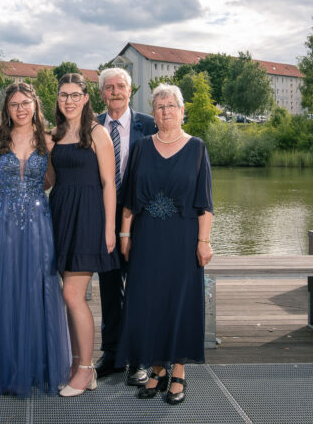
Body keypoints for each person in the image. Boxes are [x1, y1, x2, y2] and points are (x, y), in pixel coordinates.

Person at [0, 82, 72, 396]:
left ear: (35, 105)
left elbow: (53, 179)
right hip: (4, 222)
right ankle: (7, 367)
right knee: (6, 288)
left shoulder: (49, 140)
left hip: (40, 222)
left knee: (39, 288)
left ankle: (39, 367)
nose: (20, 109)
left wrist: (32, 193)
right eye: (14, 104)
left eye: (25, 103)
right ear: (6, 109)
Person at [116, 83, 213, 405]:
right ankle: (157, 368)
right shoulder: (142, 147)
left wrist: (203, 242)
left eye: (171, 106)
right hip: (146, 238)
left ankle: (179, 371)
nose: (166, 111)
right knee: (149, 302)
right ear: (153, 114)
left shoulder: (197, 148)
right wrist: (125, 235)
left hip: (183, 239)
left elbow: (205, 203)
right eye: (160, 107)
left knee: (179, 301)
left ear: (182, 111)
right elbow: (129, 198)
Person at [48, 72, 119, 397]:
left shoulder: (97, 133)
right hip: (59, 215)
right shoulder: (55, 134)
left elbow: (108, 184)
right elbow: (49, 179)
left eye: (75, 95)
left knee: (72, 296)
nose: (69, 100)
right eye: (64, 95)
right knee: (68, 296)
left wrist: (109, 229)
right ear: (58, 98)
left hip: (88, 217)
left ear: (86, 98)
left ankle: (87, 369)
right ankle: (77, 364)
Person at [94, 67, 156, 385]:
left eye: (121, 86)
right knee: (108, 287)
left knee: (140, 287)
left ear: (130, 91)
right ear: (101, 93)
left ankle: (141, 356)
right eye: (109, 87)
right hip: (103, 216)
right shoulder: (91, 126)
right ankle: (112, 353)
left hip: (142, 218)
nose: (115, 91)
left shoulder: (150, 124)